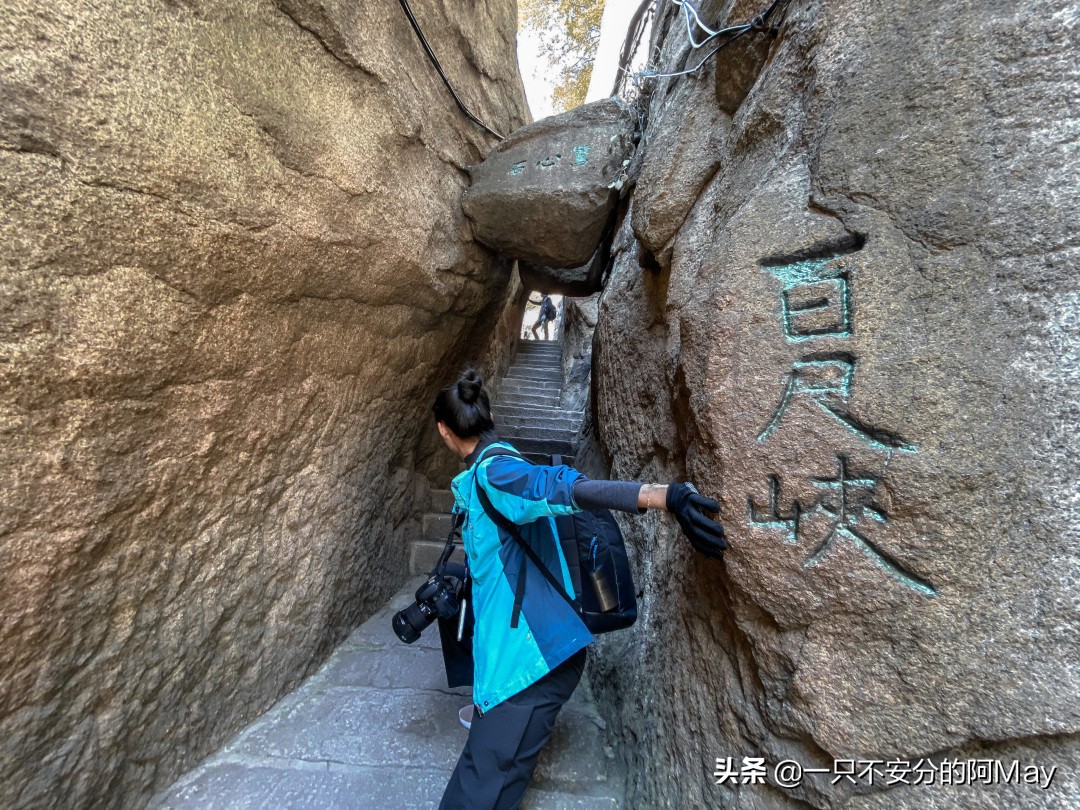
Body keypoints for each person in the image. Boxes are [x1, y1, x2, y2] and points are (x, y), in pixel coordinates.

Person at [432, 368, 727, 810]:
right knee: (500, 785)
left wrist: (666, 496)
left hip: (528, 664)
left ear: (443, 430)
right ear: (488, 417)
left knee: (473, 794)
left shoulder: (496, 472)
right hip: (525, 654)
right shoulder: (490, 470)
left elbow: (563, 487)